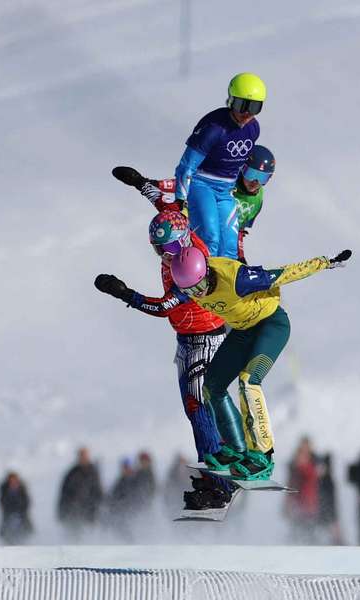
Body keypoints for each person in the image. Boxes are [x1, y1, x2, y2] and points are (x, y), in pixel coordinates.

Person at [94, 210, 238, 510]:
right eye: (159, 249)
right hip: (189, 340)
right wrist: (144, 187)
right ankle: (220, 469)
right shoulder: (178, 252)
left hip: (204, 340)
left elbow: (164, 307)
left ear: (183, 241)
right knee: (198, 409)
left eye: (170, 248)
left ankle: (220, 483)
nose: (165, 256)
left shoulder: (190, 266)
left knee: (200, 409)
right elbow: (174, 207)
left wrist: (125, 294)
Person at [171, 245, 352, 479]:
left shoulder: (237, 278)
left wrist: (325, 262)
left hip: (271, 325)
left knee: (248, 381)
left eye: (200, 286)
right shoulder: (187, 284)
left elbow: (284, 273)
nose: (199, 294)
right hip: (244, 330)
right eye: (191, 291)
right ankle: (237, 449)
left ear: (206, 272)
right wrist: (129, 296)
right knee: (211, 386)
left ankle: (263, 456)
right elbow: (164, 304)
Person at [114, 144, 275, 264]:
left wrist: (240, 256)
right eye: (252, 174)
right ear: (242, 168)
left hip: (216, 243)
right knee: (173, 213)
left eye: (263, 178)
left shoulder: (258, 200)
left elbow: (239, 229)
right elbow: (189, 184)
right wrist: (154, 183)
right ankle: (142, 185)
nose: (255, 182)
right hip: (195, 220)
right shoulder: (226, 179)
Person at [173, 73, 265, 258]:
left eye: (254, 107)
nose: (246, 113)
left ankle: (225, 284)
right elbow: (186, 166)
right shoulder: (214, 128)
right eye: (241, 105)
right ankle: (202, 280)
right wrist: (180, 201)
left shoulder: (253, 129)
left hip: (225, 191)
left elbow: (239, 165)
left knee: (230, 246)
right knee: (210, 238)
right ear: (230, 100)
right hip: (201, 184)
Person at [57, 447, 103, 538]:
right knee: (73, 540)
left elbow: (98, 493)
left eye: (85, 455)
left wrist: (97, 510)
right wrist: (61, 512)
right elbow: (64, 493)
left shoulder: (93, 472)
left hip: (89, 514)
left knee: (88, 541)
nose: (83, 458)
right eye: (81, 455)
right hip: (73, 514)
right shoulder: (72, 472)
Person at [285, 436, 320, 543]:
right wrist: (288, 503)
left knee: (310, 531)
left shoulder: (315, 463)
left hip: (310, 501)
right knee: (296, 530)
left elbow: (314, 480)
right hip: (298, 500)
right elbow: (290, 483)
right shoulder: (294, 465)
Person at [0, 471, 34, 545]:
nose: (13, 482)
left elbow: (27, 503)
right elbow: (3, 504)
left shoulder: (22, 491)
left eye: (14, 480)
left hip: (22, 521)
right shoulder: (4, 491)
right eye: (11, 481)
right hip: (8, 522)